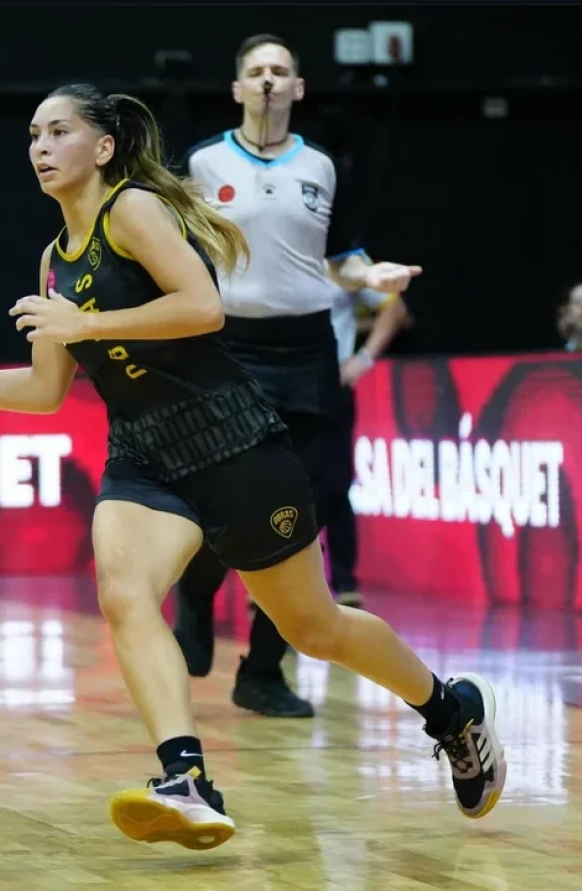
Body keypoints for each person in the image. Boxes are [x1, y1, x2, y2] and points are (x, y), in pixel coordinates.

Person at [0, 82, 506, 851]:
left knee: (315, 627)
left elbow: (203, 306)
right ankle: (187, 777)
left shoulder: (132, 209)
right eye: (32, 134)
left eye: (57, 131)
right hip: (143, 455)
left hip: (231, 442)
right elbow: (44, 389)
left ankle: (451, 708)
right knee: (124, 592)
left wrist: (87, 322)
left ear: (102, 147)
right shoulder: (53, 260)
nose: (39, 146)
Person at [172, 33, 412, 716]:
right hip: (231, 344)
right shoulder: (203, 161)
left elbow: (342, 260)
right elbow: (176, 252)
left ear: (298, 89)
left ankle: (263, 671)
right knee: (225, 498)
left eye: (281, 70)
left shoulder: (325, 166)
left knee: (296, 515)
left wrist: (375, 276)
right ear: (238, 89)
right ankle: (195, 593)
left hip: (307, 349)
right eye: (256, 71)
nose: (269, 80)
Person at [324, 260, 412, 609]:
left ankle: (344, 581)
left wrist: (362, 359)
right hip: (276, 378)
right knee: (276, 479)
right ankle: (269, 578)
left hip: (331, 383)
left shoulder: (344, 259)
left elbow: (395, 309)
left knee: (335, 481)